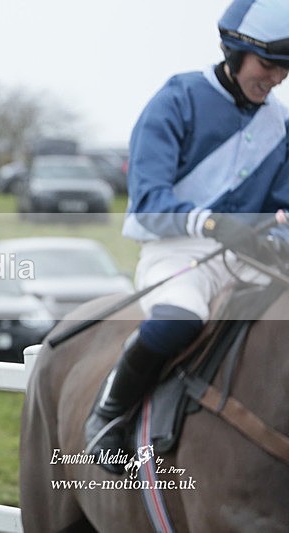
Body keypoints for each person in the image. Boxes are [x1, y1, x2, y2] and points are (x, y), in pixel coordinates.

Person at [84, 0, 289, 474]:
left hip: (254, 256)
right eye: (269, 64)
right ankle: (107, 415)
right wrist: (213, 224)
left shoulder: (280, 124)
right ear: (235, 53)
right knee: (181, 319)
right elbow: (149, 202)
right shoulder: (177, 99)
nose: (277, 77)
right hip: (179, 249)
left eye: (284, 69)